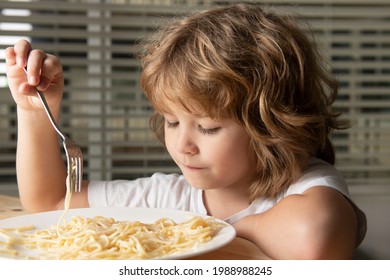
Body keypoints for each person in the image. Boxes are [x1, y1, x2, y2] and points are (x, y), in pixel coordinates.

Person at [5, 3, 366, 259]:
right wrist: (36, 111)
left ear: (272, 127)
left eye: (208, 128)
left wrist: (215, 230)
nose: (182, 145)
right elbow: (50, 202)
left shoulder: (306, 186)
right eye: (172, 121)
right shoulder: (166, 198)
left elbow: (315, 239)